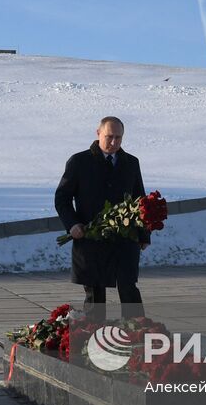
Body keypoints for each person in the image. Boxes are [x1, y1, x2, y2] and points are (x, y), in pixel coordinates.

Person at [54, 117, 149, 318]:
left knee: (128, 287)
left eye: (118, 137)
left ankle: (138, 333)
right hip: (91, 238)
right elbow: (62, 198)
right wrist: (72, 225)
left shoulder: (131, 163)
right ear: (98, 133)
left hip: (125, 238)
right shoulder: (79, 161)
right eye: (109, 137)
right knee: (95, 292)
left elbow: (140, 200)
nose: (114, 142)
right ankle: (93, 337)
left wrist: (143, 234)